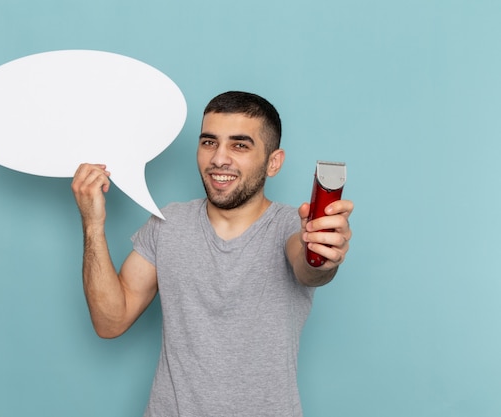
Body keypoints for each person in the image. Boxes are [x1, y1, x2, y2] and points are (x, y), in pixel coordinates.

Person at [71, 91, 354, 417]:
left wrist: (322, 252)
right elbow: (111, 322)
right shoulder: (168, 223)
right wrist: (93, 224)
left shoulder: (292, 227)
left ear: (273, 162)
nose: (219, 158)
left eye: (239, 145)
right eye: (209, 142)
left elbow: (310, 268)